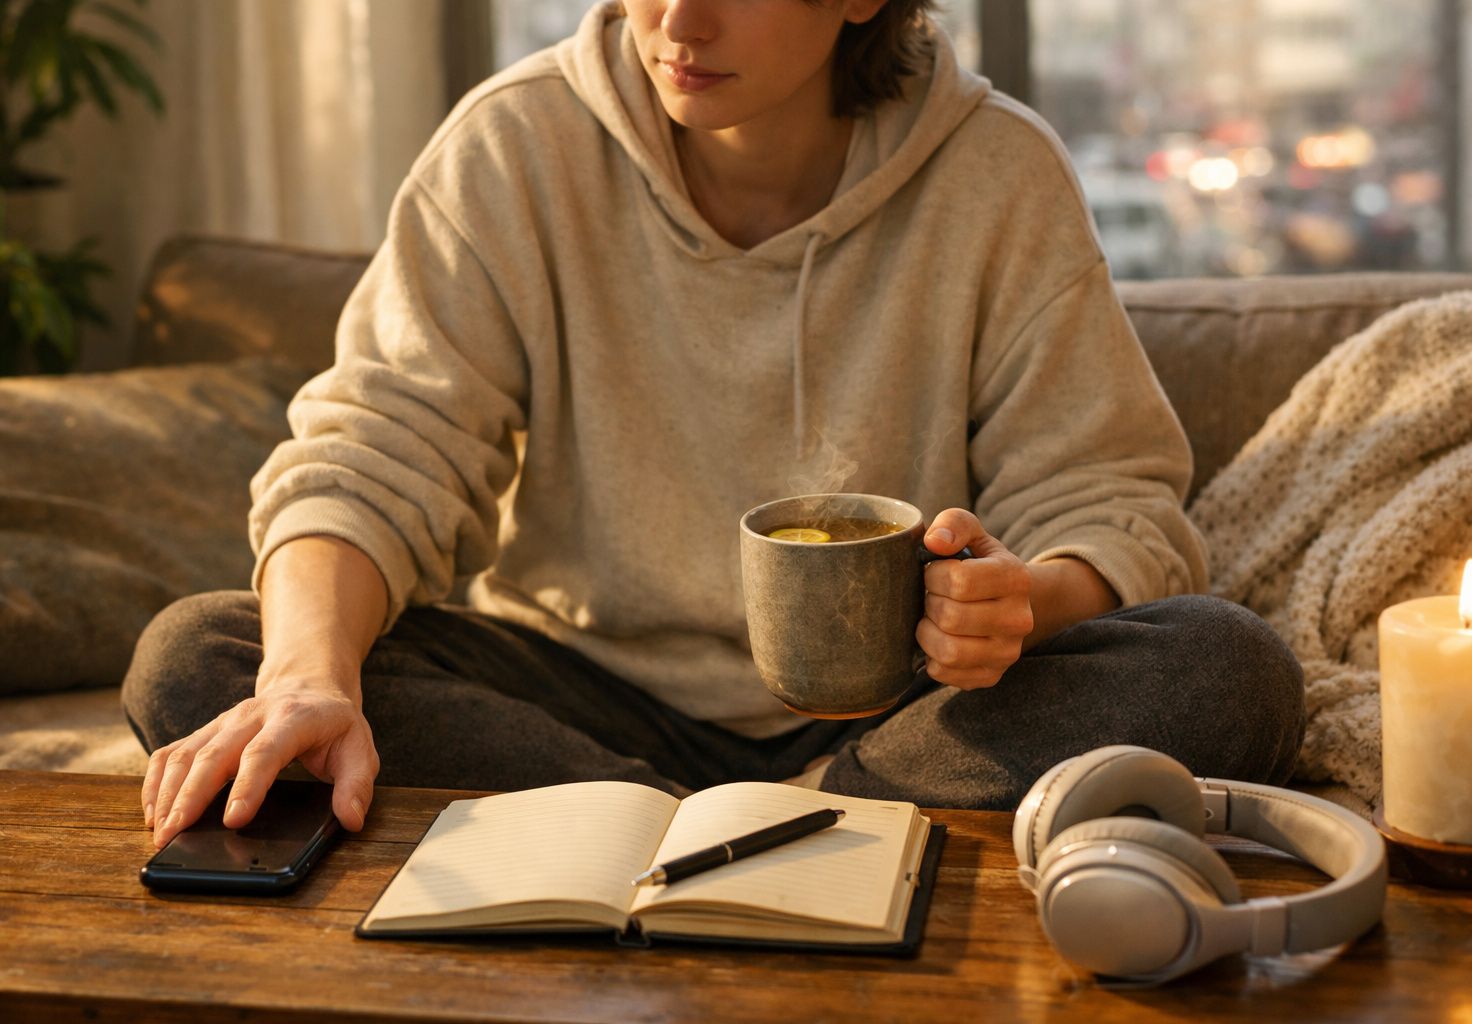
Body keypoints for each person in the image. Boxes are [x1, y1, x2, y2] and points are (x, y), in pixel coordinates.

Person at [124, 0, 1304, 850]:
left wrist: (1019, 601)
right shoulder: (512, 147)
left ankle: (696, 836)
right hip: (573, 696)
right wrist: (305, 679)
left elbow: (1110, 498)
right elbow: (379, 447)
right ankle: (767, 838)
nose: (676, 22)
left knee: (1226, 667)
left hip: (893, 713)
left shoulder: (998, 175)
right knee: (208, 656)